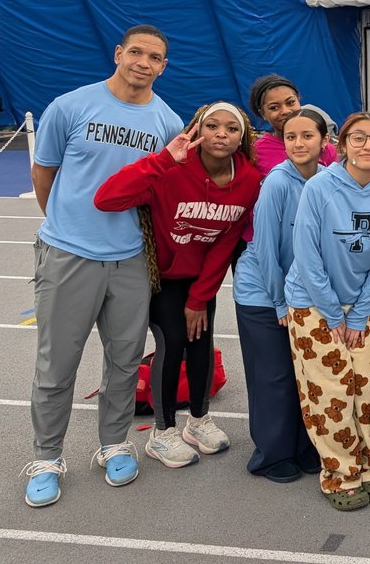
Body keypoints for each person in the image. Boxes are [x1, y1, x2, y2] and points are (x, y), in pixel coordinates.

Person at [23, 25, 183, 507]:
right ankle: (46, 457)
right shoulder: (71, 105)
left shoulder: (167, 122)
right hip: (69, 254)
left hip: (131, 260)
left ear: (163, 66)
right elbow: (43, 172)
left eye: (154, 56)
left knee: (123, 360)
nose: (143, 62)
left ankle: (114, 444)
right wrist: (70, 228)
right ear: (119, 54)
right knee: (57, 364)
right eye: (136, 52)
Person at [95, 102, 261, 467]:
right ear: (197, 130)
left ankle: (198, 421)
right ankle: (162, 432)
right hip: (161, 276)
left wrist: (200, 297)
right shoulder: (172, 169)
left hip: (199, 281)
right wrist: (162, 160)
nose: (221, 134)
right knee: (171, 344)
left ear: (242, 137)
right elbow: (106, 199)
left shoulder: (248, 179)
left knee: (201, 344)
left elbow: (225, 242)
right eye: (212, 126)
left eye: (231, 129)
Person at [284, 112, 370, 511]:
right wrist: (334, 314)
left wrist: (358, 314)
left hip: (362, 307)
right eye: (359, 138)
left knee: (365, 390)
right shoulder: (320, 187)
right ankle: (340, 472)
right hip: (314, 304)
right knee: (330, 392)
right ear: (342, 145)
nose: (368, 145)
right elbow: (307, 255)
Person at [231, 109, 330, 482]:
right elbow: (267, 250)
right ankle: (271, 455)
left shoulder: (326, 180)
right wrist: (279, 301)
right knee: (272, 377)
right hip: (265, 294)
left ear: (324, 141)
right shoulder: (276, 183)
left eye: (307, 136)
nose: (299, 143)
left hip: (302, 295)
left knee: (302, 373)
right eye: (291, 137)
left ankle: (304, 447)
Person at [248, 74, 338, 177]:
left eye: (290, 102)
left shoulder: (325, 148)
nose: (285, 111)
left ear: (298, 100)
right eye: (274, 108)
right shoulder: (256, 152)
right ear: (263, 114)